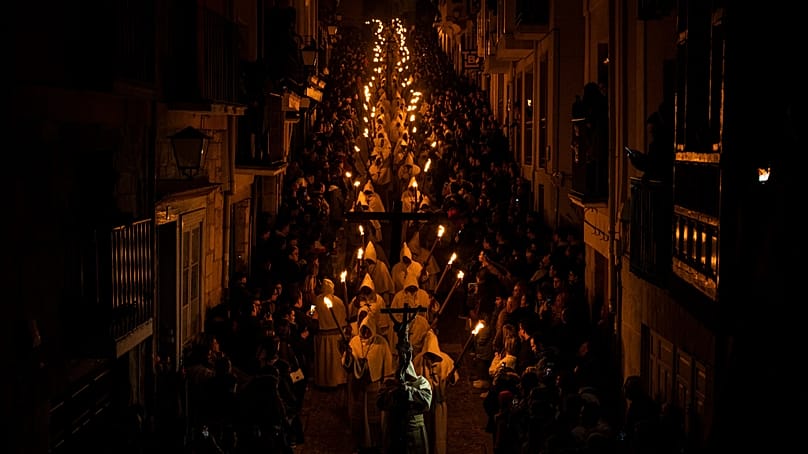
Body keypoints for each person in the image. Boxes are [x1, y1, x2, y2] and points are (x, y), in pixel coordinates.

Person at [342, 308, 396, 453]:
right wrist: (348, 356)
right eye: (363, 329)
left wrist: (386, 382)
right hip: (358, 388)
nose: (365, 332)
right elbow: (347, 365)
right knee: (359, 418)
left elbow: (387, 364)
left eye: (368, 329)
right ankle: (359, 444)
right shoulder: (354, 342)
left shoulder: (381, 343)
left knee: (373, 419)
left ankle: (375, 443)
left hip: (374, 386)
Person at [413, 331, 459, 454]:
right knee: (426, 431)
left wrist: (451, 378)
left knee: (439, 431)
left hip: (439, 403)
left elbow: (454, 377)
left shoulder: (446, 361)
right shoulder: (418, 361)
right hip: (424, 406)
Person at [377, 360, 432, 454]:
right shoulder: (389, 384)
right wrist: (394, 392)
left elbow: (426, 402)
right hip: (394, 431)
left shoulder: (421, 382)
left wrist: (407, 390)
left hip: (415, 430)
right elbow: (380, 403)